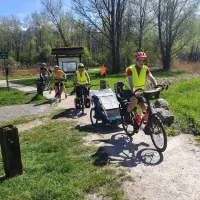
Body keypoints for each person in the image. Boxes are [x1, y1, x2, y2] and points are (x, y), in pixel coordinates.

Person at [123, 51, 158, 122]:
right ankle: (126, 115)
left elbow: (151, 78)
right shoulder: (130, 69)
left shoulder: (145, 69)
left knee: (144, 106)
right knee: (135, 101)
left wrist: (157, 86)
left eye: (143, 60)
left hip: (139, 91)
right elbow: (130, 82)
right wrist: (133, 91)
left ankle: (144, 122)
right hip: (128, 90)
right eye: (140, 60)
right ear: (136, 60)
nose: (142, 62)